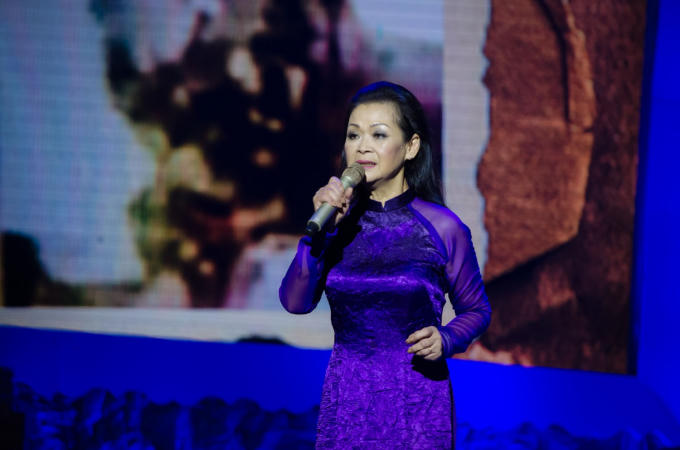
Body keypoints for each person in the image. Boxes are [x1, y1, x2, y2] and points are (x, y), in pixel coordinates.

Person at [279, 81, 491, 448]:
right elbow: (295, 303)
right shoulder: (337, 224)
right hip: (348, 402)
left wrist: (446, 338)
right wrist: (321, 233)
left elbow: (477, 310)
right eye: (353, 135)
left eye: (378, 134)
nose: (362, 146)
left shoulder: (443, 227)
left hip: (417, 403)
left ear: (411, 147)